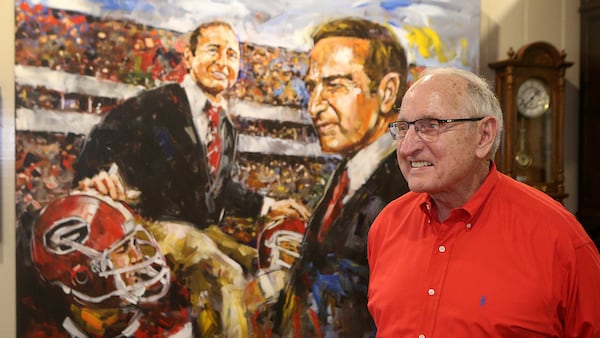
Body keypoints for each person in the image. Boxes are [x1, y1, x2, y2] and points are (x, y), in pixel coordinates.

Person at [368, 67, 600, 337]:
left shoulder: (558, 237)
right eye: (403, 128)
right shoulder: (387, 225)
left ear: (484, 135)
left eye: (430, 126)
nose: (407, 147)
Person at [73, 20, 307, 229]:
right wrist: (98, 178)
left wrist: (267, 205)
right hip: (152, 230)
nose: (222, 62)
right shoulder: (154, 104)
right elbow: (100, 141)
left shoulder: (226, 127)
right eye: (213, 50)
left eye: (231, 55)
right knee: (229, 273)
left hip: (203, 235)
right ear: (189, 57)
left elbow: (217, 189)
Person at [267, 17, 410, 337]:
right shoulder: (349, 173)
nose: (314, 105)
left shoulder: (407, 186)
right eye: (312, 87)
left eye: (334, 85)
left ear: (387, 92)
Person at [26, 192, 194, 337]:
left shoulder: (166, 324)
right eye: (123, 249)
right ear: (82, 277)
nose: (137, 256)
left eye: (134, 243)